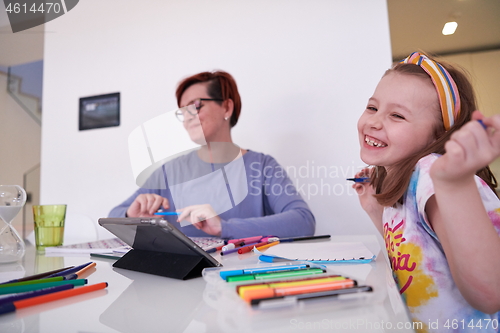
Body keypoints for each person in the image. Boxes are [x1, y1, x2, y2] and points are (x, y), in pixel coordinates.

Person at [353, 52, 500, 332]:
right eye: (372, 108)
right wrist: (375, 210)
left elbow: (491, 293)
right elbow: (415, 252)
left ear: (438, 135)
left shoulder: (432, 174)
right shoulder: (403, 179)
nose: (374, 121)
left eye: (397, 115)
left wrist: (454, 185)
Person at [109, 71, 315, 239]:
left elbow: (303, 221)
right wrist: (131, 214)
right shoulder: (169, 171)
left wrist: (224, 228)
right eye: (182, 112)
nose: (187, 117)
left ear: (226, 107)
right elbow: (114, 216)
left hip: (244, 279)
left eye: (196, 106)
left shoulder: (262, 166)